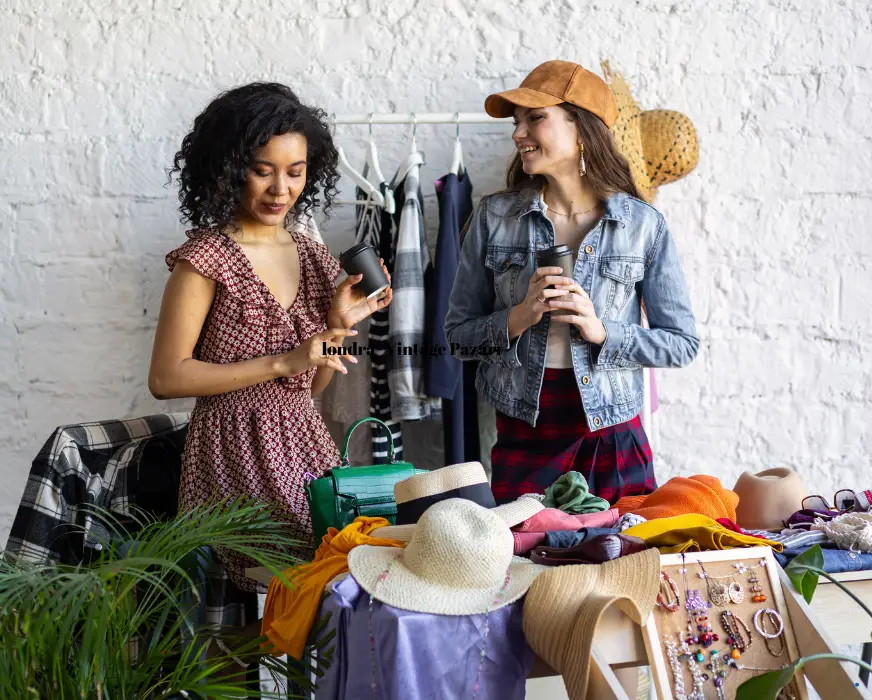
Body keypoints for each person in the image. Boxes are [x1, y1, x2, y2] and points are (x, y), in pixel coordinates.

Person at [148, 82, 392, 593]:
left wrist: (339, 328)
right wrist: (284, 361)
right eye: (263, 171)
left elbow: (312, 386)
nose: (281, 189)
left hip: (306, 447)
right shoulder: (205, 260)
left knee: (331, 593)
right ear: (229, 168)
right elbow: (167, 378)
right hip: (230, 453)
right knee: (261, 608)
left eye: (295, 172)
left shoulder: (313, 257)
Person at [445, 60, 699, 506]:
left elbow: (682, 344)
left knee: (621, 548)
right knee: (526, 550)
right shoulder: (494, 217)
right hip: (525, 432)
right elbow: (457, 337)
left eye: (535, 118)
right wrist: (518, 317)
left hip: (612, 433)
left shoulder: (642, 225)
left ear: (581, 128)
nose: (518, 133)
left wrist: (602, 332)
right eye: (516, 121)